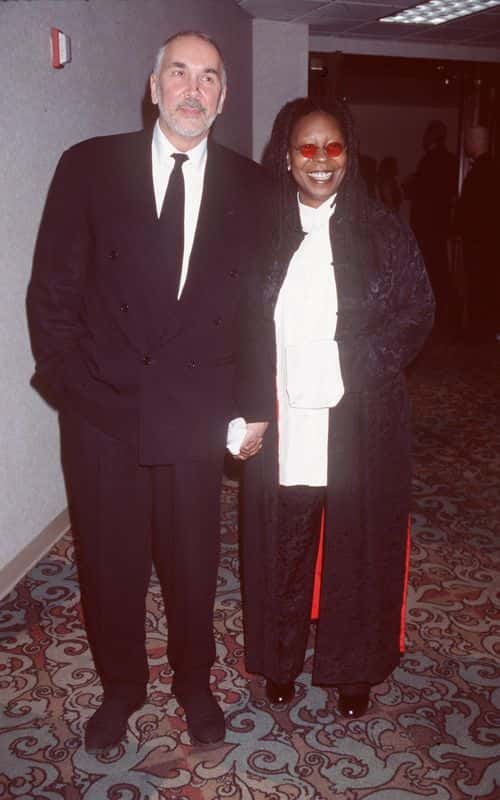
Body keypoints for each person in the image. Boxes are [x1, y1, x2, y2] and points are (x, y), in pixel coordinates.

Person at [27, 31, 272, 753]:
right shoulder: (89, 165)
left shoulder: (253, 186)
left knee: (194, 562)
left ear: (222, 97)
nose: (193, 89)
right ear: (154, 85)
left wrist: (255, 404)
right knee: (109, 562)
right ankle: (121, 688)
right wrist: (74, 390)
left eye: (208, 78)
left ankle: (193, 681)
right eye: (179, 73)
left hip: (198, 413)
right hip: (103, 412)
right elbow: (53, 292)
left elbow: (259, 309)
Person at [238, 97, 435, 719]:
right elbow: (233, 324)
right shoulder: (260, 229)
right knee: (282, 542)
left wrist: (346, 363)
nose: (320, 160)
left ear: (348, 153)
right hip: (283, 417)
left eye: (333, 147)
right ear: (286, 155)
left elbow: (418, 314)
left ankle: (356, 668)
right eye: (306, 147)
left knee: (360, 543)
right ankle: (279, 660)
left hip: (363, 418)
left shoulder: (384, 230)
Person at [407, 120, 458, 332]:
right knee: (440, 269)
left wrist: (411, 184)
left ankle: (441, 317)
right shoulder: (449, 160)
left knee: (434, 271)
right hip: (439, 224)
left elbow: (423, 192)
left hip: (428, 225)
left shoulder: (431, 160)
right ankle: (446, 316)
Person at [454, 125, 499, 343]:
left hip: (479, 241)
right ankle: (485, 330)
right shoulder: (492, 169)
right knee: (486, 284)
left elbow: (468, 210)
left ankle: (479, 331)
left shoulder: (479, 173)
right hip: (489, 240)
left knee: (478, 284)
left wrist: (458, 227)